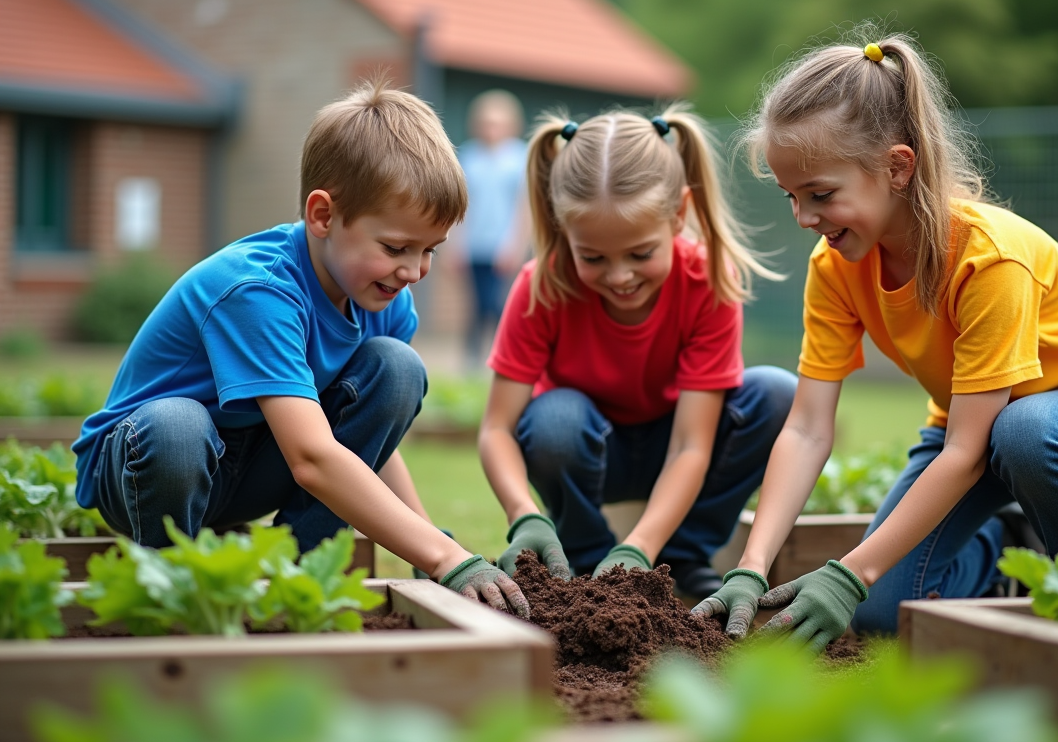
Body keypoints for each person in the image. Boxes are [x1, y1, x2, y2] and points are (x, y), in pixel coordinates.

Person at [695, 31, 1058, 646]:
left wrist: (847, 570)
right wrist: (751, 567)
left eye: (821, 195)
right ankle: (1006, 550)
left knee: (1028, 434)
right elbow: (807, 428)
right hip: (972, 430)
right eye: (792, 197)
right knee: (883, 614)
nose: (804, 219)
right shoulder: (834, 266)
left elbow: (970, 449)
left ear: (897, 167)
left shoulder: (988, 258)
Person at [71, 81, 528, 616]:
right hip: (144, 469)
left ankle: (291, 573)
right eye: (396, 247)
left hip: (247, 461)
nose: (414, 271)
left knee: (397, 368)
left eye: (430, 249)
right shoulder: (258, 291)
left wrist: (432, 546)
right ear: (322, 215)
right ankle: (174, 588)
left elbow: (370, 444)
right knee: (178, 425)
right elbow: (312, 458)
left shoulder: (381, 294)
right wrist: (445, 556)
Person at [479, 105, 798, 600]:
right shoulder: (541, 286)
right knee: (555, 420)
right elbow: (497, 428)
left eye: (640, 254)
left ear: (678, 215)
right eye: (593, 257)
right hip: (587, 455)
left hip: (682, 450)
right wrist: (524, 513)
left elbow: (691, 445)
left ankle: (682, 558)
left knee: (777, 395)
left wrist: (641, 548)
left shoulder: (707, 281)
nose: (620, 276)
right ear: (565, 230)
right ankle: (583, 563)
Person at [457, 90, 530, 367]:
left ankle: (505, 357)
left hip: (503, 247)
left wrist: (515, 246)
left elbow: (524, 210)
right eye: (487, 122)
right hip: (475, 246)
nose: (491, 128)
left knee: (498, 304)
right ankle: (473, 361)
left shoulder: (519, 158)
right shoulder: (469, 157)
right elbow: (461, 208)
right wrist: (456, 246)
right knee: (475, 305)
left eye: (498, 122)